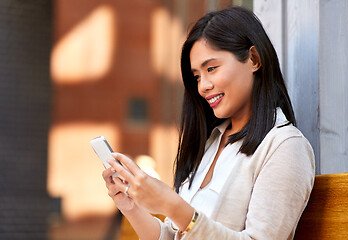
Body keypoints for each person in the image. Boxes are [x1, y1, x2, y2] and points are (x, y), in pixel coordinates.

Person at [102, 6, 315, 240]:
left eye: (211, 69)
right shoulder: (212, 141)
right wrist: (130, 205)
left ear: (254, 59)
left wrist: (174, 207)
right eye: (197, 76)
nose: (203, 86)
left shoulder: (284, 146)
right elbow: (175, 236)